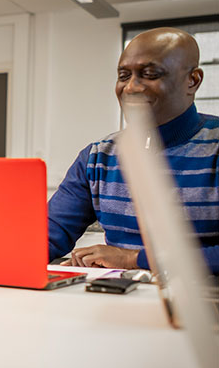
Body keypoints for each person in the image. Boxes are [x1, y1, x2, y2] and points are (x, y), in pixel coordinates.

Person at [49, 27, 219, 273]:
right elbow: (45, 236)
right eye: (123, 75)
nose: (130, 88)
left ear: (192, 81)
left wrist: (133, 259)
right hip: (117, 297)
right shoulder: (98, 158)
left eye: (150, 74)